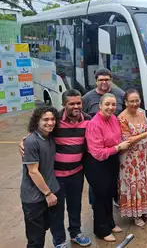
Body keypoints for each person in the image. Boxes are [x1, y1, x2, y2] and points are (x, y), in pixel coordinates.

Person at [19, 90, 92, 247]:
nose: (76, 106)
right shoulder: (56, 119)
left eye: (78, 103)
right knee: (56, 211)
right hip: (57, 176)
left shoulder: (88, 120)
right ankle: (59, 241)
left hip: (77, 173)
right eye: (71, 103)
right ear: (64, 104)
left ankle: (75, 232)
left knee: (75, 205)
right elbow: (39, 128)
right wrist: (24, 140)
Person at [85, 93, 130, 242]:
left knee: (110, 192)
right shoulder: (94, 124)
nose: (110, 107)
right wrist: (117, 147)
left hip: (111, 160)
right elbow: (97, 152)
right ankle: (101, 229)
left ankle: (110, 223)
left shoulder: (113, 119)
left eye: (113, 104)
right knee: (100, 196)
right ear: (100, 105)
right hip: (97, 164)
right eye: (107, 104)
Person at [82, 68, 125, 207]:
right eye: (101, 80)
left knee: (112, 179)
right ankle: (96, 206)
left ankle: (113, 201)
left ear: (111, 80)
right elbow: (75, 114)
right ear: (96, 81)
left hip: (114, 146)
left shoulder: (120, 95)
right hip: (96, 148)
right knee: (97, 182)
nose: (104, 82)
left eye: (107, 79)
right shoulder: (87, 98)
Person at [118, 88, 147, 227]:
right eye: (131, 101)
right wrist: (146, 134)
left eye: (137, 100)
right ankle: (135, 214)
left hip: (144, 153)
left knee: (145, 180)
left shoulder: (141, 112)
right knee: (133, 184)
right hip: (130, 157)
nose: (135, 104)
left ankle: (144, 208)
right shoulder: (122, 118)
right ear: (125, 102)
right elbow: (127, 140)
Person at [21, 106, 59, 248]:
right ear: (37, 121)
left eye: (53, 119)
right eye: (46, 119)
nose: (50, 123)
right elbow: (33, 171)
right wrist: (48, 193)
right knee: (35, 240)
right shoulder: (31, 141)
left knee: (43, 229)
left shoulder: (48, 137)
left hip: (46, 195)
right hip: (34, 199)